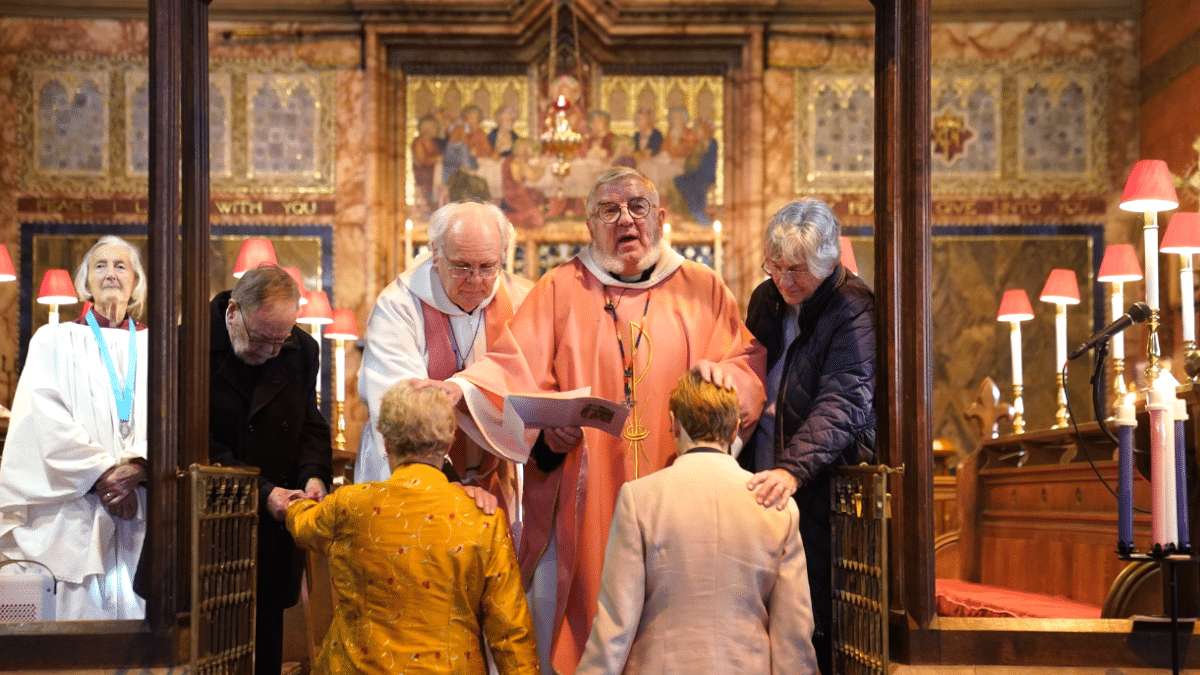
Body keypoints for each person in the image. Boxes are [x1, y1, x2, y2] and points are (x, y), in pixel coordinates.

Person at [420, 167, 766, 674]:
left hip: (679, 485)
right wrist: (479, 397)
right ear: (590, 225)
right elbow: (511, 368)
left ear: (661, 218)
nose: (625, 220)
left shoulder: (703, 289)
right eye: (609, 210)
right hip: (588, 491)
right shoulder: (560, 289)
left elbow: (746, 363)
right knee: (590, 614)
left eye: (637, 207)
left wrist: (728, 378)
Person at [287, 381, 539, 675]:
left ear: (387, 443)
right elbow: (511, 634)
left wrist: (295, 503)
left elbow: (302, 525)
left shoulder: (349, 505)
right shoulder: (483, 518)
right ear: (448, 443)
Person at [575, 371, 817, 675]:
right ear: (734, 432)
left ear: (674, 423)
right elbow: (793, 637)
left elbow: (615, 625)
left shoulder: (639, 499)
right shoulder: (777, 508)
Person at [741, 197, 877, 675]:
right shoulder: (767, 298)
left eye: (796, 270)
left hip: (817, 481)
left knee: (810, 613)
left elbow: (844, 399)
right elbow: (747, 368)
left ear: (828, 261)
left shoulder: (853, 307)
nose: (783, 280)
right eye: (774, 266)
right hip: (761, 468)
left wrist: (793, 468)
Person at [0, 235, 149, 620]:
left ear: (136, 282)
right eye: (100, 266)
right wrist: (103, 472)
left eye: (121, 266)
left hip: (144, 499)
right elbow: (45, 414)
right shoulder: (55, 339)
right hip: (76, 503)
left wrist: (140, 466)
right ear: (85, 281)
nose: (111, 273)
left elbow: (174, 415)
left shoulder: (158, 345)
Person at [356, 202, 535, 518]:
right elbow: (401, 405)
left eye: (488, 266)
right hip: (413, 478)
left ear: (504, 255)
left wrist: (464, 388)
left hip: (493, 472)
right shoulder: (398, 306)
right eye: (462, 266)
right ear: (436, 253)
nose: (475, 279)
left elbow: (527, 379)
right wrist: (446, 483)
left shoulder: (522, 300)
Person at [209, 263, 333, 675]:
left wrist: (312, 476)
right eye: (262, 339)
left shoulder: (302, 350)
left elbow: (309, 426)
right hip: (211, 527)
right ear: (232, 312)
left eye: (281, 341)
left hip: (270, 541)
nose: (272, 352)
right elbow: (195, 445)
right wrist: (264, 493)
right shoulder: (187, 344)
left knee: (265, 656)